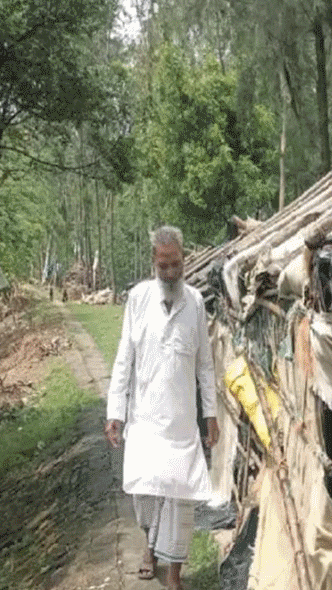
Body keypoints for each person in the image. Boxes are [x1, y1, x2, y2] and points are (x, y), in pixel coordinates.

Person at [105, 225, 220, 590]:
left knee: (179, 501)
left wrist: (211, 414)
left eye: (175, 265)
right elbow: (124, 359)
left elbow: (204, 364)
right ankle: (149, 548)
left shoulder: (196, 303)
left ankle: (173, 576)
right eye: (163, 266)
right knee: (145, 495)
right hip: (144, 421)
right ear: (153, 262)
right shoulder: (138, 300)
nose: (170, 273)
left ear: (183, 260)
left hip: (182, 423)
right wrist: (115, 412)